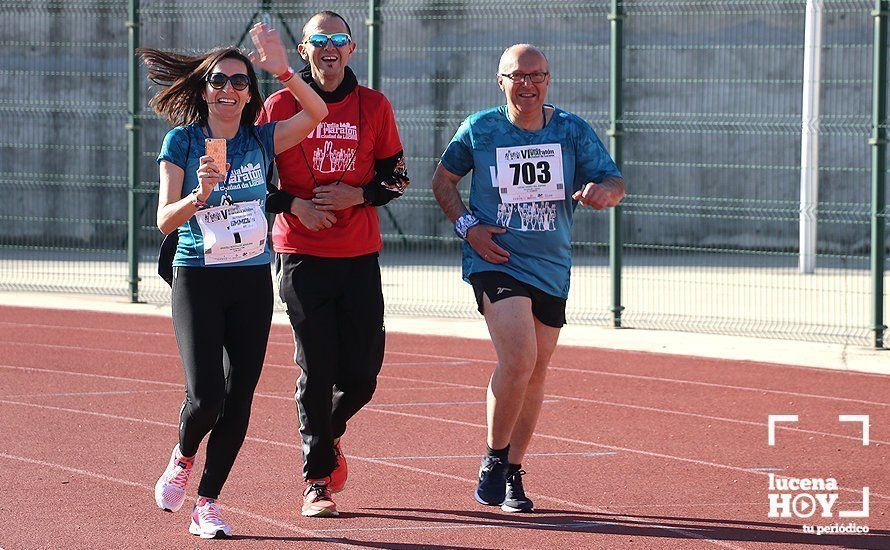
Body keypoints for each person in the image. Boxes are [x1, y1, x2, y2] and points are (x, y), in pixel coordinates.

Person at [141, 23, 327, 538]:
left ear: (251, 94)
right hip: (197, 277)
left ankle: (208, 502)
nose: (229, 90)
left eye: (240, 83)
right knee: (206, 397)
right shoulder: (182, 141)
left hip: (249, 281)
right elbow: (163, 221)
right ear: (204, 89)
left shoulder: (260, 138)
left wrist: (284, 71)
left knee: (239, 397)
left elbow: (318, 113)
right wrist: (199, 194)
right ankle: (182, 455)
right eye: (220, 81)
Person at [431, 44, 625, 513]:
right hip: (495, 259)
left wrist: (603, 193)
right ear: (501, 81)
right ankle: (494, 458)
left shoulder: (571, 130)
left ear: (548, 79)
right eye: (518, 76)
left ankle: (514, 470)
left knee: (536, 372)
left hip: (551, 266)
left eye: (536, 76)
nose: (528, 84)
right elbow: (442, 182)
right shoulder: (480, 129)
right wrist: (468, 228)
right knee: (519, 358)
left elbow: (615, 183)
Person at [257, 10, 409, 518]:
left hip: (360, 255)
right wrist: (293, 205)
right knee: (316, 368)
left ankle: (329, 432)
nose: (328, 47)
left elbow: (398, 178)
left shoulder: (375, 106)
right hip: (301, 256)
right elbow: (250, 179)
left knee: (363, 376)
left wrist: (358, 196)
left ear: (351, 49)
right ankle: (316, 478)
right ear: (303, 51)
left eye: (338, 39)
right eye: (318, 40)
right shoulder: (278, 105)